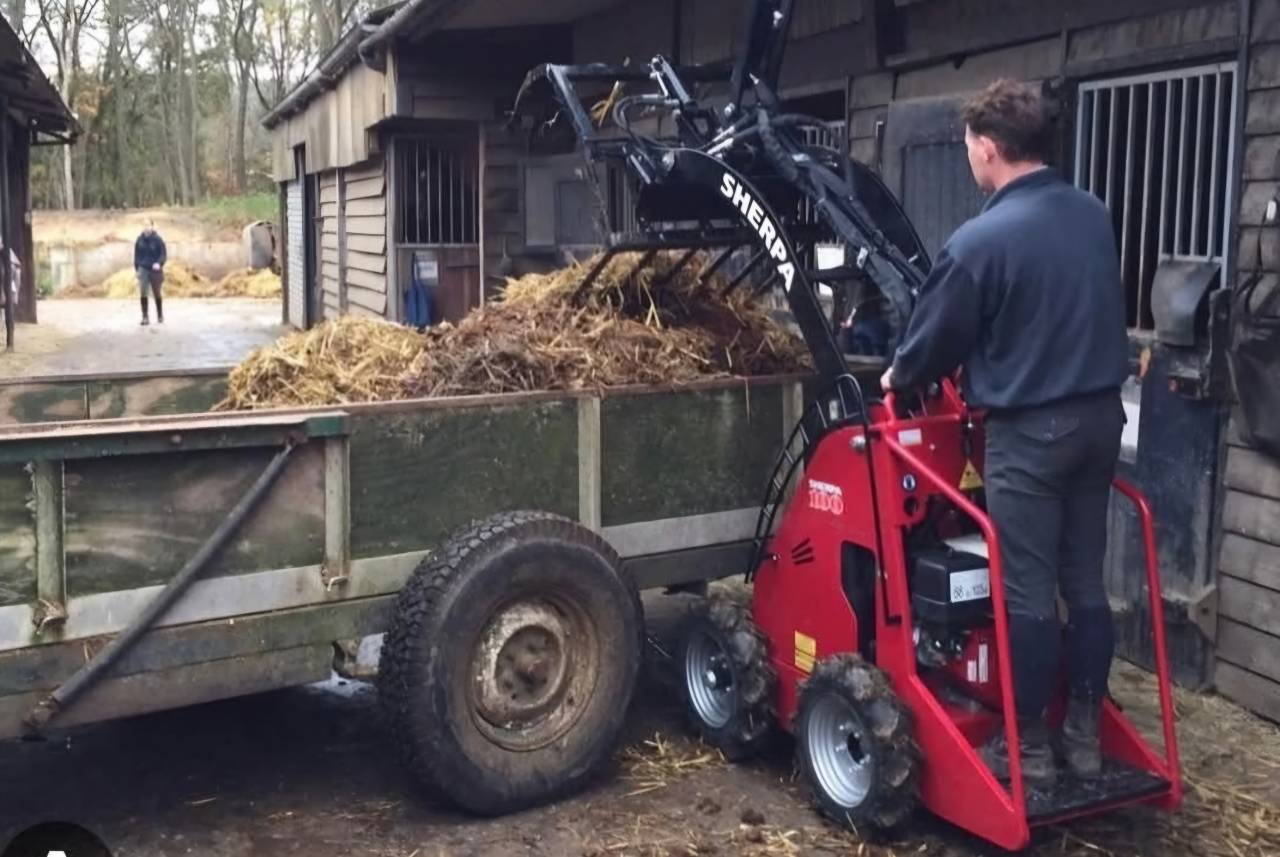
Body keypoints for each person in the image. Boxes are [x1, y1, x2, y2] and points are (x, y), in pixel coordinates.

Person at [879, 79, 1129, 788]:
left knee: (1022, 591)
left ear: (988, 148)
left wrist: (897, 379)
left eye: (968, 148)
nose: (969, 158)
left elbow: (931, 342)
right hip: (1102, 420)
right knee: (1083, 582)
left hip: (1032, 433)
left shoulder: (980, 240)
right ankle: (1082, 734)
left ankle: (1029, 751)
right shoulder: (1093, 215)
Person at [134, 220, 166, 325]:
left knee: (157, 292)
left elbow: (163, 254)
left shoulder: (158, 240)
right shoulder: (139, 240)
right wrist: (137, 269)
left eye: (148, 225)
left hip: (155, 269)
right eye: (144, 225)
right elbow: (136, 256)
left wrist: (159, 263)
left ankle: (160, 314)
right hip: (143, 268)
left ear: (152, 226)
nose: (146, 227)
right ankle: (145, 317)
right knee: (143, 292)